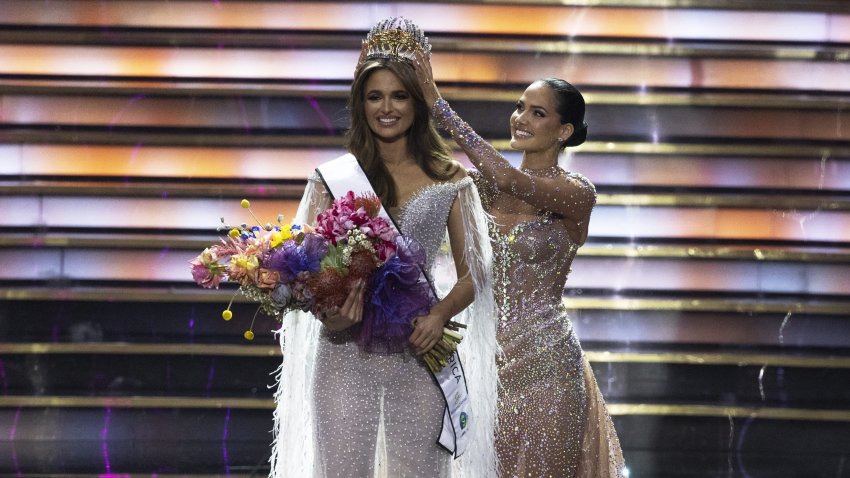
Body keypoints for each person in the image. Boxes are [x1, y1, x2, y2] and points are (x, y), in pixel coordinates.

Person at [269, 18, 499, 478]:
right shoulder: (331, 179)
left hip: (419, 354)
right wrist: (327, 310)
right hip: (343, 354)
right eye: (375, 96)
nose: (387, 108)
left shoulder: (451, 178)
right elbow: (299, 271)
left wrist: (439, 315)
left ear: (417, 103)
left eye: (399, 95)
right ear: (361, 103)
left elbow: (478, 271)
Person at [414, 52, 626, 477]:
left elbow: (513, 180)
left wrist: (438, 105)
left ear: (564, 131)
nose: (520, 118)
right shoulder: (481, 187)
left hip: (548, 367)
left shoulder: (576, 193)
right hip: (481, 361)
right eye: (519, 107)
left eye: (537, 112)